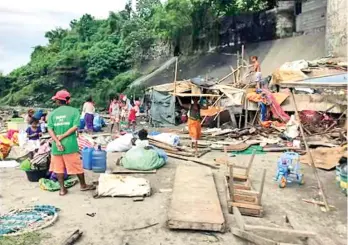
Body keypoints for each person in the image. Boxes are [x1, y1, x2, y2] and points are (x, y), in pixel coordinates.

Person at [48, 89, 95, 196]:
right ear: (67, 100)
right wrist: (63, 136)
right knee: (77, 166)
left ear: (58, 101)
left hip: (56, 146)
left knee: (58, 167)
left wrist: (57, 141)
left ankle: (62, 189)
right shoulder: (74, 111)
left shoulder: (52, 114)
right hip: (70, 145)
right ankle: (83, 185)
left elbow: (50, 129)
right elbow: (75, 127)